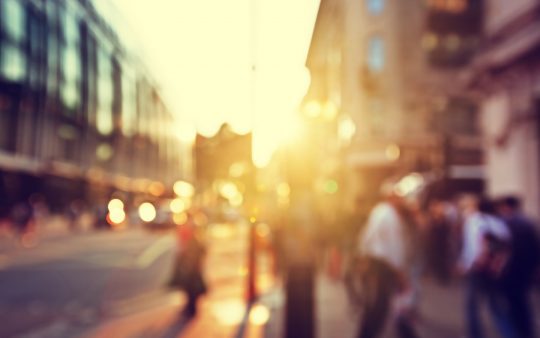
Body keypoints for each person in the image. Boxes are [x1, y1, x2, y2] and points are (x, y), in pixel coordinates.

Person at [355, 184, 420, 338]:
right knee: (379, 304)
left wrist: (363, 256)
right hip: (383, 265)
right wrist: (399, 270)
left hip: (377, 263)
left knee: (378, 304)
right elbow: (393, 246)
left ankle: (368, 333)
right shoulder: (389, 215)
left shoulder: (379, 211)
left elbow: (366, 237)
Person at [458, 196, 514, 338]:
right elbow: (507, 247)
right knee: (496, 306)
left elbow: (471, 247)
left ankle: (475, 334)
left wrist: (465, 264)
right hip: (494, 270)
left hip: (477, 269)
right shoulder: (499, 223)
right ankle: (508, 333)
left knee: (472, 306)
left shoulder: (473, 221)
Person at [496, 196, 540, 338]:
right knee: (523, 302)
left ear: (506, 206)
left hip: (510, 270)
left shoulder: (505, 223)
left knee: (512, 304)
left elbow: (502, 248)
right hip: (525, 270)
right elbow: (536, 248)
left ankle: (517, 332)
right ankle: (527, 331)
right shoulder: (529, 223)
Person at [172, 213, 207, 317]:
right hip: (192, 266)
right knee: (189, 287)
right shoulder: (194, 229)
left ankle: (191, 308)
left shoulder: (191, 234)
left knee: (191, 287)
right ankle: (191, 307)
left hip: (191, 267)